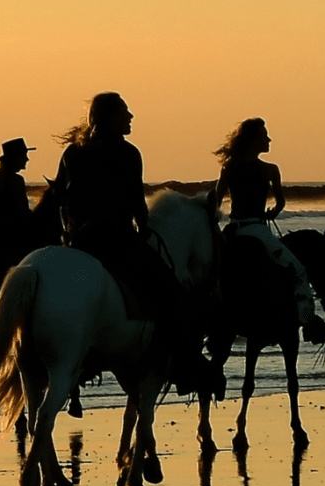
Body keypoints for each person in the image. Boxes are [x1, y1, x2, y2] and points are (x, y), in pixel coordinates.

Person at [53, 92, 221, 395]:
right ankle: (185, 368)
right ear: (109, 117)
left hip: (79, 241)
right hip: (116, 239)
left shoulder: (72, 153)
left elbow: (61, 201)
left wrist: (68, 236)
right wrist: (143, 229)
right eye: (125, 112)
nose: (131, 117)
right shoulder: (127, 152)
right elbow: (136, 202)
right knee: (173, 295)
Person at [213, 118, 325, 344]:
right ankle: (309, 323)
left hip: (234, 229)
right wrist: (271, 213)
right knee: (299, 271)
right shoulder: (269, 170)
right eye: (264, 136)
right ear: (254, 141)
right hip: (257, 229)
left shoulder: (230, 167)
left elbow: (216, 200)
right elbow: (280, 203)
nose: (268, 139)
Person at [0, 137, 36, 266]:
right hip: (14, 237)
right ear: (15, 158)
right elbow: (23, 213)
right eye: (24, 155)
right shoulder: (17, 180)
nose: (27, 159)